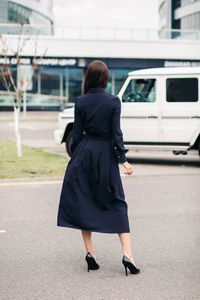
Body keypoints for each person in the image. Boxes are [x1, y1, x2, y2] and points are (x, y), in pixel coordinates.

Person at [57, 60, 140, 276]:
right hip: (105, 156)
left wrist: (77, 158)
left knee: (84, 201)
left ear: (89, 78)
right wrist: (123, 160)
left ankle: (90, 253)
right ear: (105, 78)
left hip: (84, 154)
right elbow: (116, 134)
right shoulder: (113, 101)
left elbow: (77, 133)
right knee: (117, 201)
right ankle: (127, 255)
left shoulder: (80, 101)